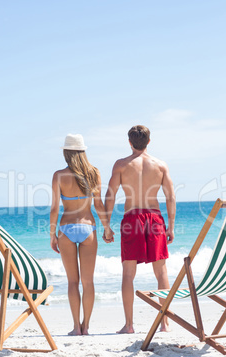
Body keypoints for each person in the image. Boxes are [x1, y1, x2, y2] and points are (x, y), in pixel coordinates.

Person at [104, 125, 176, 334]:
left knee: (128, 274)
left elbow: (111, 195)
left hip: (131, 218)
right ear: (149, 142)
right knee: (161, 271)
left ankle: (129, 325)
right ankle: (165, 323)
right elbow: (170, 197)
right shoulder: (160, 165)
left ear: (129, 142)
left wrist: (107, 225)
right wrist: (171, 226)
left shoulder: (121, 165)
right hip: (154, 218)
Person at [50, 134, 114, 336]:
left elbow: (54, 209)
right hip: (88, 228)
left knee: (72, 282)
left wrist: (52, 234)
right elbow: (98, 204)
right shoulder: (93, 172)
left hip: (66, 228)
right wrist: (107, 228)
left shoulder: (58, 175)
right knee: (88, 281)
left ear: (66, 152)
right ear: (83, 151)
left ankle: (76, 328)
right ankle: (86, 327)